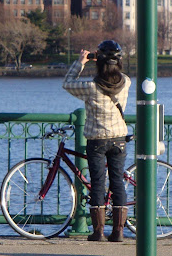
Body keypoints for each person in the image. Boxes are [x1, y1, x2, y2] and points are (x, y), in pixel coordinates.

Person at [62, 40, 131, 242]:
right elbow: (114, 75)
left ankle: (98, 232)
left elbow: (67, 83)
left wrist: (82, 61)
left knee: (98, 184)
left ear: (99, 61)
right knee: (117, 182)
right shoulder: (126, 82)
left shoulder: (91, 87)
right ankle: (118, 231)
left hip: (97, 139)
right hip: (119, 139)